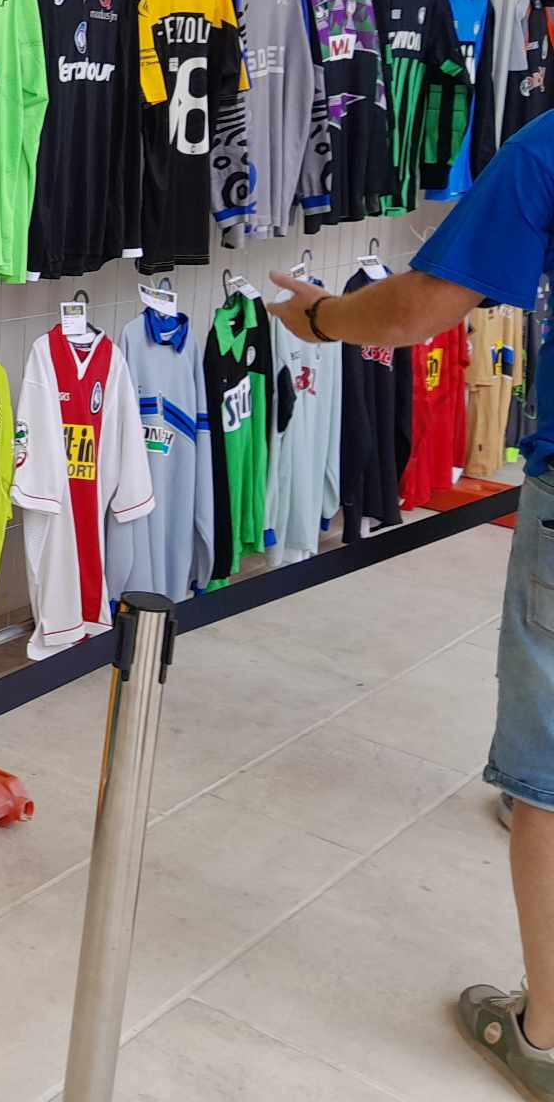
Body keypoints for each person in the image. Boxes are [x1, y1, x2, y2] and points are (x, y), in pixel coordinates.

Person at [268, 108, 554, 1099]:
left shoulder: (543, 151)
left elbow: (415, 311)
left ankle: (545, 1034)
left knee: (545, 776)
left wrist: (318, 318)